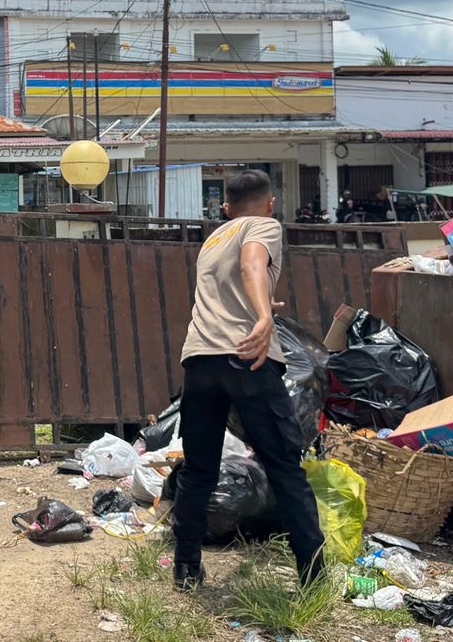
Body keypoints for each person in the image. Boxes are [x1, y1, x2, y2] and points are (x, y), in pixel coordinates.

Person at [173, 169, 324, 593]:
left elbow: (231, 284)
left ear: (225, 208)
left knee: (199, 470)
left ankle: (186, 569)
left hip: (200, 360)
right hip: (246, 358)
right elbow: (252, 264)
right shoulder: (265, 225)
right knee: (284, 468)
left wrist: (261, 301)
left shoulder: (213, 239)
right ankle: (314, 580)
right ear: (271, 203)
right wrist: (263, 317)